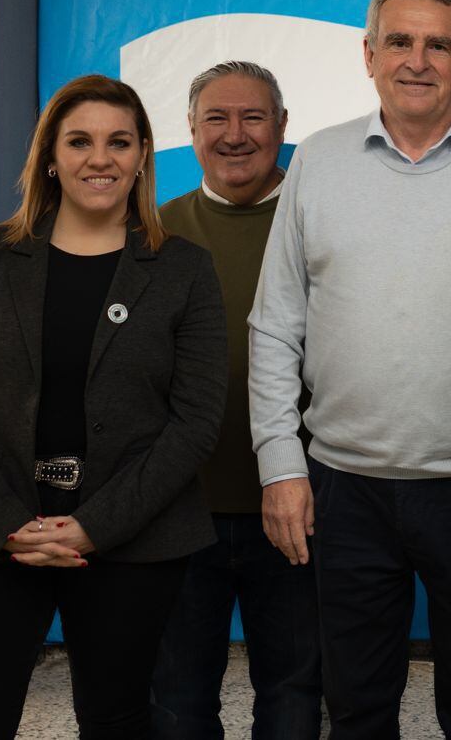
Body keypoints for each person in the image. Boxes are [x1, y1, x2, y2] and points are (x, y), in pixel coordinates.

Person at [247, 0, 451, 739]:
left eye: (438, 45)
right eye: (399, 42)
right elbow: (275, 325)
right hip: (344, 489)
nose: (417, 61)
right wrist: (281, 467)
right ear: (368, 55)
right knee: (356, 709)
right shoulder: (317, 162)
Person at [0, 74, 227, 738]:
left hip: (133, 539)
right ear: (50, 156)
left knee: (117, 719)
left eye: (119, 142)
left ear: (143, 155)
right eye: (79, 142)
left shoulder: (183, 269)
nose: (100, 159)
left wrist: (95, 526)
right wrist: (9, 526)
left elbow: (194, 422)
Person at [151, 61, 322, 739]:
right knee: (177, 703)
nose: (235, 134)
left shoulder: (317, 220)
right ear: (190, 130)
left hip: (298, 507)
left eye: (253, 117)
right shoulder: (154, 232)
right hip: (177, 512)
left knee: (293, 697)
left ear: (282, 127)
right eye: (216, 118)